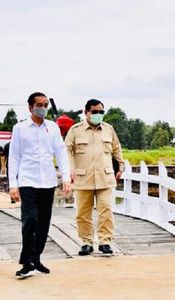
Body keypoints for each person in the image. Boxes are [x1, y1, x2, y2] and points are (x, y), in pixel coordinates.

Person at [9, 92, 71, 278]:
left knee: (44, 222)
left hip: (48, 181)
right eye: (39, 105)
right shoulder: (20, 128)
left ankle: (36, 258)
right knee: (30, 220)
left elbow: (60, 153)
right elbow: (14, 156)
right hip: (28, 180)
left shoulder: (52, 128)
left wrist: (66, 178)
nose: (43, 108)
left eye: (45, 105)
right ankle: (26, 261)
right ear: (30, 107)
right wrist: (13, 184)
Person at [65, 99, 124, 256]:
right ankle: (86, 242)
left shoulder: (109, 129)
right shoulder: (75, 130)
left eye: (101, 112)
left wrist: (121, 166)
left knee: (106, 211)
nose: (98, 115)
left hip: (105, 177)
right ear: (86, 113)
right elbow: (67, 150)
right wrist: (69, 169)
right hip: (83, 178)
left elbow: (116, 149)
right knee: (83, 213)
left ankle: (105, 241)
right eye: (95, 112)